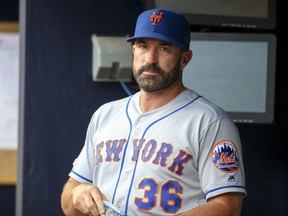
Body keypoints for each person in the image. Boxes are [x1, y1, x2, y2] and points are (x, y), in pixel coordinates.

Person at [61, 8, 246, 216]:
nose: (150, 59)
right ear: (133, 51)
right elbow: (69, 203)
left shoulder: (210, 122)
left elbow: (228, 208)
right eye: (143, 46)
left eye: (164, 48)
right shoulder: (105, 115)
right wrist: (76, 192)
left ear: (185, 59)